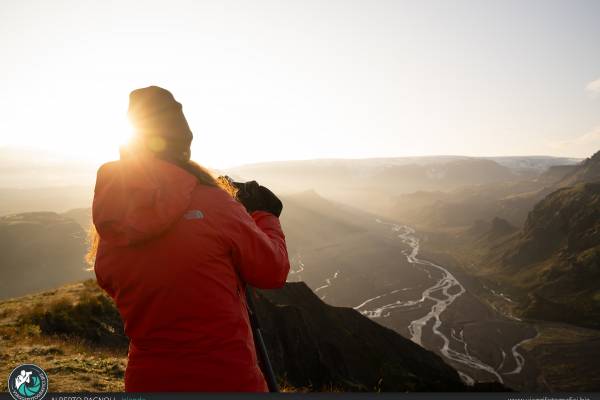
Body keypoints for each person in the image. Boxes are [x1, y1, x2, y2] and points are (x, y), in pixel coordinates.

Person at [88, 86, 290, 392]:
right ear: (184, 143)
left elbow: (109, 278)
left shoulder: (113, 219)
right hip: (227, 379)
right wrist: (264, 215)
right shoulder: (214, 203)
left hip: (148, 382)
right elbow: (272, 270)